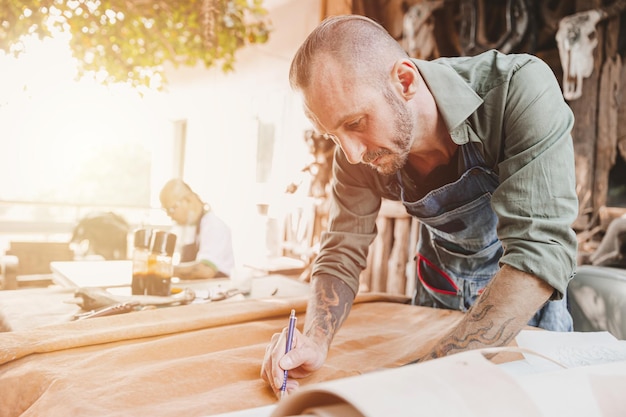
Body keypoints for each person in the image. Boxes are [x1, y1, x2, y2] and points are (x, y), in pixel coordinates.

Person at [261, 14, 579, 397]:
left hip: (524, 313)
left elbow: (539, 251)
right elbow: (342, 249)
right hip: (435, 298)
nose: (352, 152)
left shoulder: (517, 89)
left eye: (356, 122)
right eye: (333, 135)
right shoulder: (355, 150)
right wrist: (314, 339)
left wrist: (426, 376)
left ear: (405, 81)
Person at [160, 178, 235, 279]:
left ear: (188, 200)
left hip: (215, 291)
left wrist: (163, 269)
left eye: (171, 209)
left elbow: (205, 271)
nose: (170, 216)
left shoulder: (214, 226)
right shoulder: (188, 229)